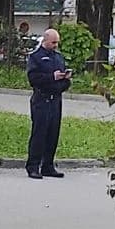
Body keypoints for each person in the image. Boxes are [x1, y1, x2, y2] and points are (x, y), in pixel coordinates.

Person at [25, 28, 72, 180]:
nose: (55, 45)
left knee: (53, 133)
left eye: (57, 42)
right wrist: (52, 77)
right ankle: (33, 166)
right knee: (39, 133)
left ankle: (48, 165)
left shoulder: (58, 57)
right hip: (41, 99)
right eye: (53, 42)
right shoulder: (36, 57)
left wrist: (64, 80)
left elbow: (65, 81)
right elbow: (34, 79)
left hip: (55, 100)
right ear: (45, 41)